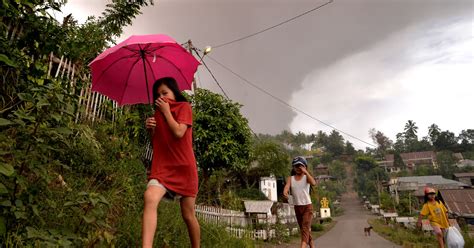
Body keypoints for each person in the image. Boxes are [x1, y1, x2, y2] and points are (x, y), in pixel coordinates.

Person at [142, 77, 200, 248]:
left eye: (165, 93)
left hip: (184, 168)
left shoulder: (184, 107)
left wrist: (167, 112)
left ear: (175, 93)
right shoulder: (157, 114)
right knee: (149, 197)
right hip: (163, 168)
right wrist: (151, 130)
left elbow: (179, 133)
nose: (161, 97)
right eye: (158, 95)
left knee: (188, 215)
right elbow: (158, 145)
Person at [283, 156, 317, 248]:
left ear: (305, 166)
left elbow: (313, 183)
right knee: (303, 229)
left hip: (307, 207)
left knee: (305, 228)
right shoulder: (291, 178)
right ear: (293, 167)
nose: (298, 168)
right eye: (296, 166)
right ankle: (312, 245)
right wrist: (285, 192)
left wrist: (306, 172)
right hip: (297, 207)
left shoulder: (306, 177)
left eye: (300, 166)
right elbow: (287, 186)